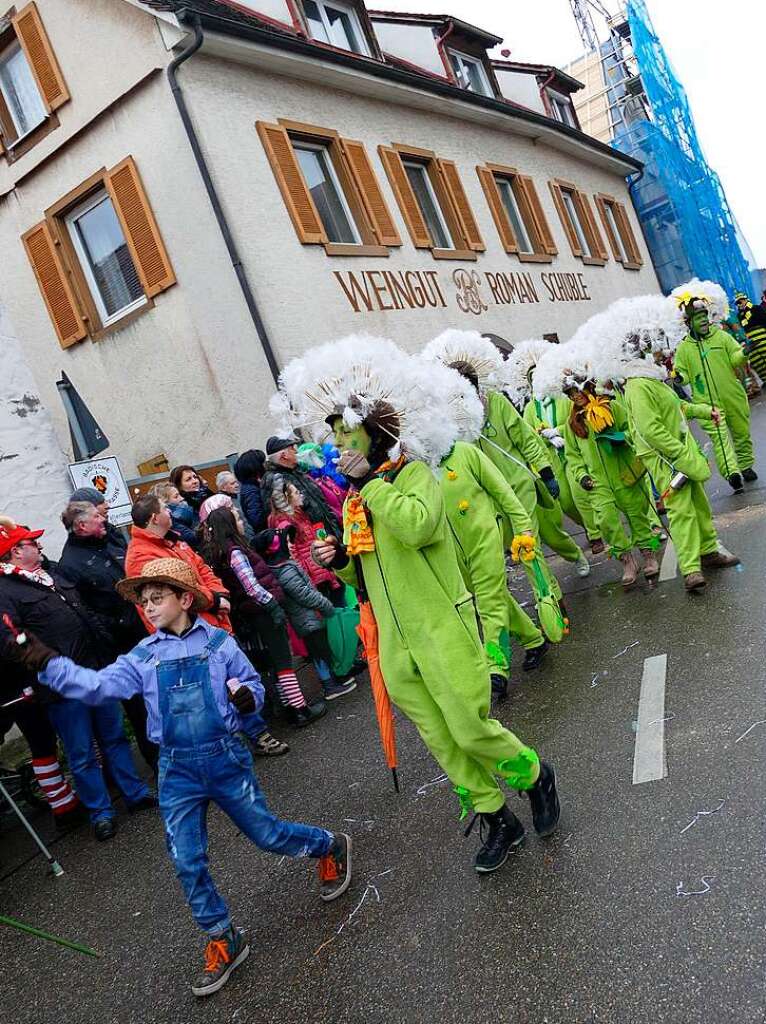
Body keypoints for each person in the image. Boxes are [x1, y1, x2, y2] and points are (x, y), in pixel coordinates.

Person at [277, 334, 560, 874]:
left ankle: (534, 774)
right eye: (335, 439)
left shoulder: (414, 476)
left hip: (441, 627)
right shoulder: (360, 496)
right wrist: (336, 555)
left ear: (376, 436)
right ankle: (496, 814)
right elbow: (365, 566)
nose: (340, 449)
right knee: (440, 739)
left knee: (469, 727)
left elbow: (418, 526)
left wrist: (372, 489)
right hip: (395, 641)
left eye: (348, 438)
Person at [15, 558, 352, 996]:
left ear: (185, 598)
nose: (149, 608)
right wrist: (49, 663)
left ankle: (328, 845)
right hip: (176, 769)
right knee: (187, 859)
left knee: (267, 835)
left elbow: (254, 686)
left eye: (158, 599)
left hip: (226, 759)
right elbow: (97, 688)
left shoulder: (221, 645)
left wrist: (248, 701)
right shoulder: (142, 656)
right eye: (145, 602)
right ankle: (222, 936)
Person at [0, 522, 154, 841]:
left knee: (114, 738)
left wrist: (105, 641)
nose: (39, 547)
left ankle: (135, 794)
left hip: (96, 671)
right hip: (62, 688)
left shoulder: (52, 574)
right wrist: (48, 662)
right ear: (16, 551)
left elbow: (83, 611)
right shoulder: (5, 591)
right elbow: (11, 639)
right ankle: (101, 812)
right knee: (81, 751)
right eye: (31, 543)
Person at [421, 331, 580, 612]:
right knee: (519, 550)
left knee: (531, 545)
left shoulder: (498, 403)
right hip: (489, 497)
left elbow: (526, 439)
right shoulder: (454, 421)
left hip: (518, 486)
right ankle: (556, 580)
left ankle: (552, 597)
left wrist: (546, 472)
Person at [594, 295, 741, 593]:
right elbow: (650, 430)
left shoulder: (652, 379)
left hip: (678, 452)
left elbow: (678, 408)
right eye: (654, 343)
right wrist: (678, 457)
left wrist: (705, 411)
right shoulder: (637, 385)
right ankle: (690, 569)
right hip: (665, 458)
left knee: (698, 503)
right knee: (681, 509)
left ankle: (709, 549)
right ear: (642, 349)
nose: (660, 349)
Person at [201, 506, 325, 730]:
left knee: (275, 662)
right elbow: (251, 585)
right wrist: (272, 604)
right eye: (237, 518)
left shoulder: (219, 552)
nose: (241, 520)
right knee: (283, 661)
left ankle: (289, 707)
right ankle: (300, 709)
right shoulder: (235, 551)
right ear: (229, 525)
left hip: (253, 613)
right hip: (263, 611)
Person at [59, 501, 158, 773]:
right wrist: (118, 624)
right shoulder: (71, 564)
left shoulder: (110, 537)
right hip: (121, 644)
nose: (104, 520)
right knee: (139, 706)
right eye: (96, 517)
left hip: (146, 629)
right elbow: (85, 610)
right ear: (81, 526)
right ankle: (158, 761)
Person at [505, 340, 603, 554]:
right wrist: (544, 437)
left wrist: (557, 431)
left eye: (537, 377)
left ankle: (596, 533)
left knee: (581, 493)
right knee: (567, 503)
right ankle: (587, 527)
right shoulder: (530, 408)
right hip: (551, 460)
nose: (535, 382)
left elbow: (574, 419)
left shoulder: (561, 399)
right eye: (531, 379)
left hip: (570, 453)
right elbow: (528, 433)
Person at [561, 385, 659, 588]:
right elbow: (573, 456)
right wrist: (582, 476)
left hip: (625, 475)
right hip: (598, 483)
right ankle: (627, 561)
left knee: (637, 515)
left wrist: (621, 438)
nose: (575, 395)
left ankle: (648, 554)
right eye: (570, 393)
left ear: (589, 386)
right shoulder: (572, 424)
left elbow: (632, 429)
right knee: (606, 521)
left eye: (577, 389)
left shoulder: (612, 407)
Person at [672, 282, 756, 491]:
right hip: (706, 402)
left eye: (705, 318)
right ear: (690, 323)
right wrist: (677, 377)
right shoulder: (684, 348)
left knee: (741, 432)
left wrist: (744, 353)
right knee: (720, 439)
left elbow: (735, 358)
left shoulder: (721, 336)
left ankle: (745, 466)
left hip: (731, 394)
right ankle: (732, 474)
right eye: (699, 319)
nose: (704, 323)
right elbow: (683, 376)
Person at [260, 526, 356, 702]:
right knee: (319, 653)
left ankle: (333, 681)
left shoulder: (282, 567)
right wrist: (326, 605)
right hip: (307, 619)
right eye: (286, 542)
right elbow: (305, 594)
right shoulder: (285, 570)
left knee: (320, 651)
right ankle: (329, 686)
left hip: (306, 619)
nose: (290, 545)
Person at [125, 494, 232, 633]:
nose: (169, 511)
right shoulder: (140, 556)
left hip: (212, 622)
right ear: (155, 518)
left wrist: (220, 595)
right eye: (165, 508)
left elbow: (203, 569)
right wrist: (215, 601)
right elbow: (176, 591)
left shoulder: (173, 542)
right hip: (188, 633)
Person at [267, 478, 344, 606]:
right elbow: (292, 554)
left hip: (320, 568)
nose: (301, 495)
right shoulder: (284, 523)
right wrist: (307, 578)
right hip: (314, 576)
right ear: (287, 499)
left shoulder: (298, 514)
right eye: (296, 493)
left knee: (339, 601)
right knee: (334, 607)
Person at [261, 437, 341, 539]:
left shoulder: (296, 471)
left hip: (329, 530)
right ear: (283, 455)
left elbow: (320, 502)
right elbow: (287, 516)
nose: (296, 451)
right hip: (312, 539)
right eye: (292, 448)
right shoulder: (275, 480)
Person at [151, 482, 199, 548]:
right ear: (165, 505)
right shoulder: (173, 529)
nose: (182, 498)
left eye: (180, 495)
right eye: (176, 496)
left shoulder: (191, 518)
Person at [734, 290, 766, 386]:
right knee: (756, 361)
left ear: (746, 300)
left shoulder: (756, 308)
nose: (740, 304)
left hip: (762, 336)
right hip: (750, 339)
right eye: (738, 303)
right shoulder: (739, 315)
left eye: (741, 301)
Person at [234, 449, 268, 534]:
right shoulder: (251, 490)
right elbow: (256, 519)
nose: (265, 465)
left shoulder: (253, 486)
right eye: (263, 462)